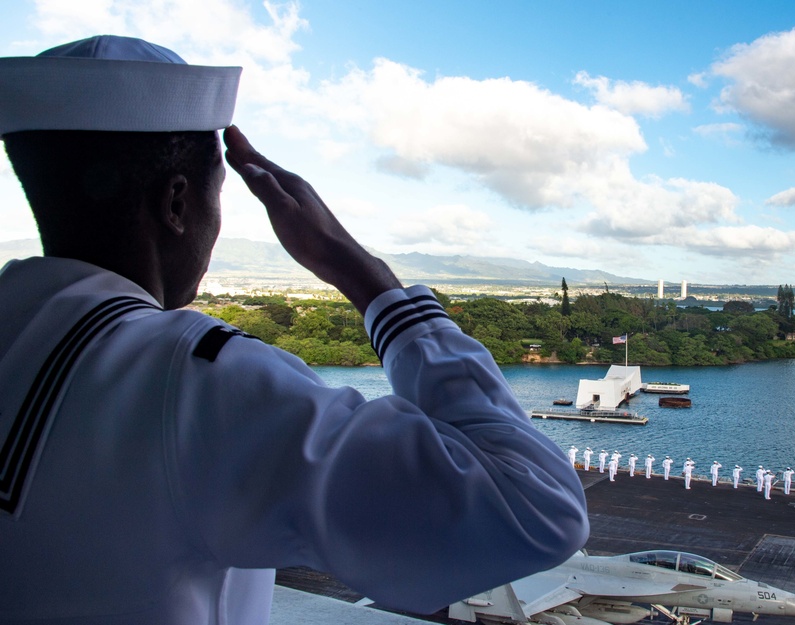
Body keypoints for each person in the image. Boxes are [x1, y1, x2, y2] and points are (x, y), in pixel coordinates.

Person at [0, 36, 589, 624]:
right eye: (216, 191)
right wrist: (365, 275)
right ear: (176, 203)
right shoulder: (191, 383)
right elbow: (538, 509)